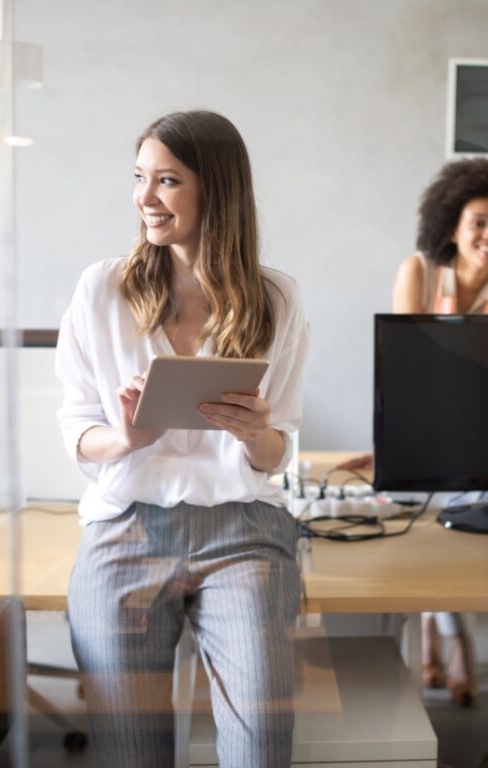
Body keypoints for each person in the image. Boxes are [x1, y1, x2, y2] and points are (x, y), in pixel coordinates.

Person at [55, 110, 308, 768]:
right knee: (130, 753)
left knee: (260, 748)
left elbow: (280, 451)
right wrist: (125, 438)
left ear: (215, 191)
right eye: (139, 178)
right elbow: (76, 431)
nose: (144, 198)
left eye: (166, 181)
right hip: (126, 527)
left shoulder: (277, 299)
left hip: (244, 529)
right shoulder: (102, 289)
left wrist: (256, 435)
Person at [393, 157, 488, 702]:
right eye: (479, 222)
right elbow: (405, 368)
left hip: (482, 428)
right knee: (433, 538)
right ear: (451, 225)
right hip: (422, 428)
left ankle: (437, 637)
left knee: (464, 533)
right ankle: (457, 649)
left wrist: (456, 339)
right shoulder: (419, 273)